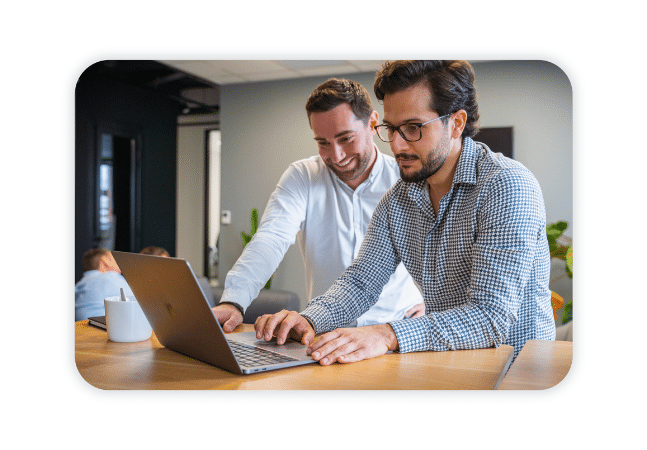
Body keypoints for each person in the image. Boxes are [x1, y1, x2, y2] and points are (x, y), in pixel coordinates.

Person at [255, 60, 556, 364]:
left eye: (413, 128)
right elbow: (360, 283)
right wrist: (310, 320)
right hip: (450, 366)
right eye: (391, 129)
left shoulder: (506, 186)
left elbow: (490, 317)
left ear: (456, 123)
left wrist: (387, 335)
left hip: (518, 373)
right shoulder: (397, 201)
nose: (397, 145)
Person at [213, 78, 424, 332]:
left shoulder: (407, 179)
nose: (336, 155)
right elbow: (271, 238)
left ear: (371, 122)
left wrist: (433, 302)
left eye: (345, 138)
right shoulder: (303, 176)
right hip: (325, 330)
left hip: (396, 331)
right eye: (323, 142)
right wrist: (234, 300)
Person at [74, 248, 134, 321]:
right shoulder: (110, 277)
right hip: (103, 329)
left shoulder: (80, 283)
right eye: (114, 258)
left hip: (80, 328)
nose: (119, 262)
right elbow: (140, 305)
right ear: (105, 260)